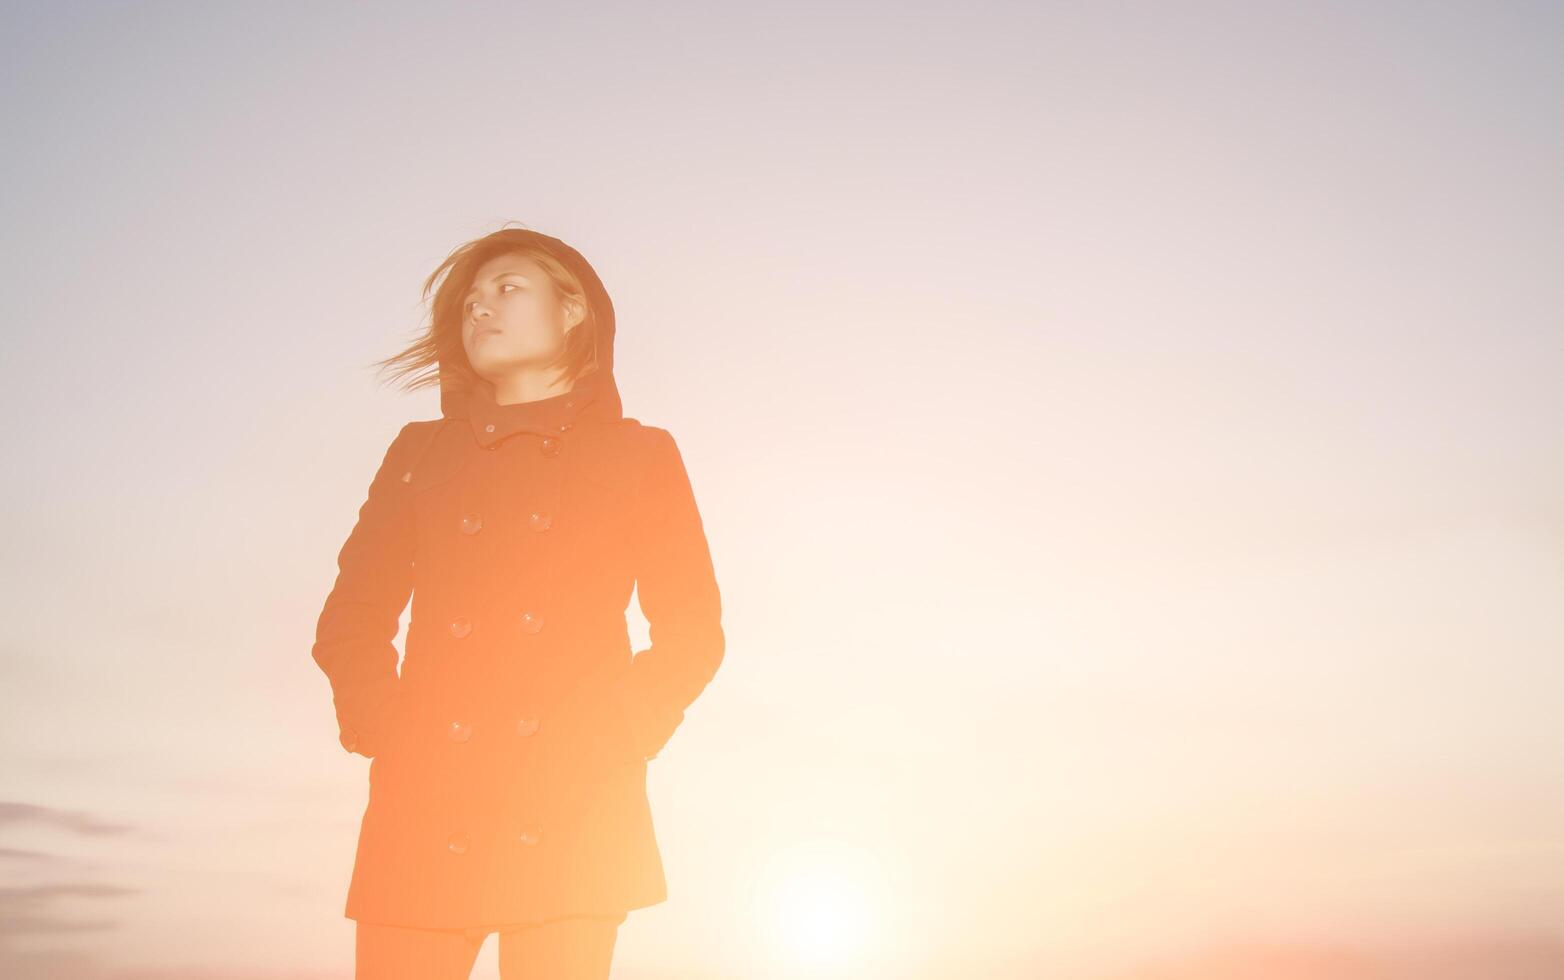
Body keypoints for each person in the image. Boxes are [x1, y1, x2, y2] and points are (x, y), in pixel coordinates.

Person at [311, 226, 726, 979]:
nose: (480, 310)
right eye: (469, 301)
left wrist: (620, 731)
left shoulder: (640, 454)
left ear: (573, 310)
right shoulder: (419, 453)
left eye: (507, 289)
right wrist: (383, 722)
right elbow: (353, 613)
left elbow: (692, 627)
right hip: (428, 797)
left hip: (574, 801)